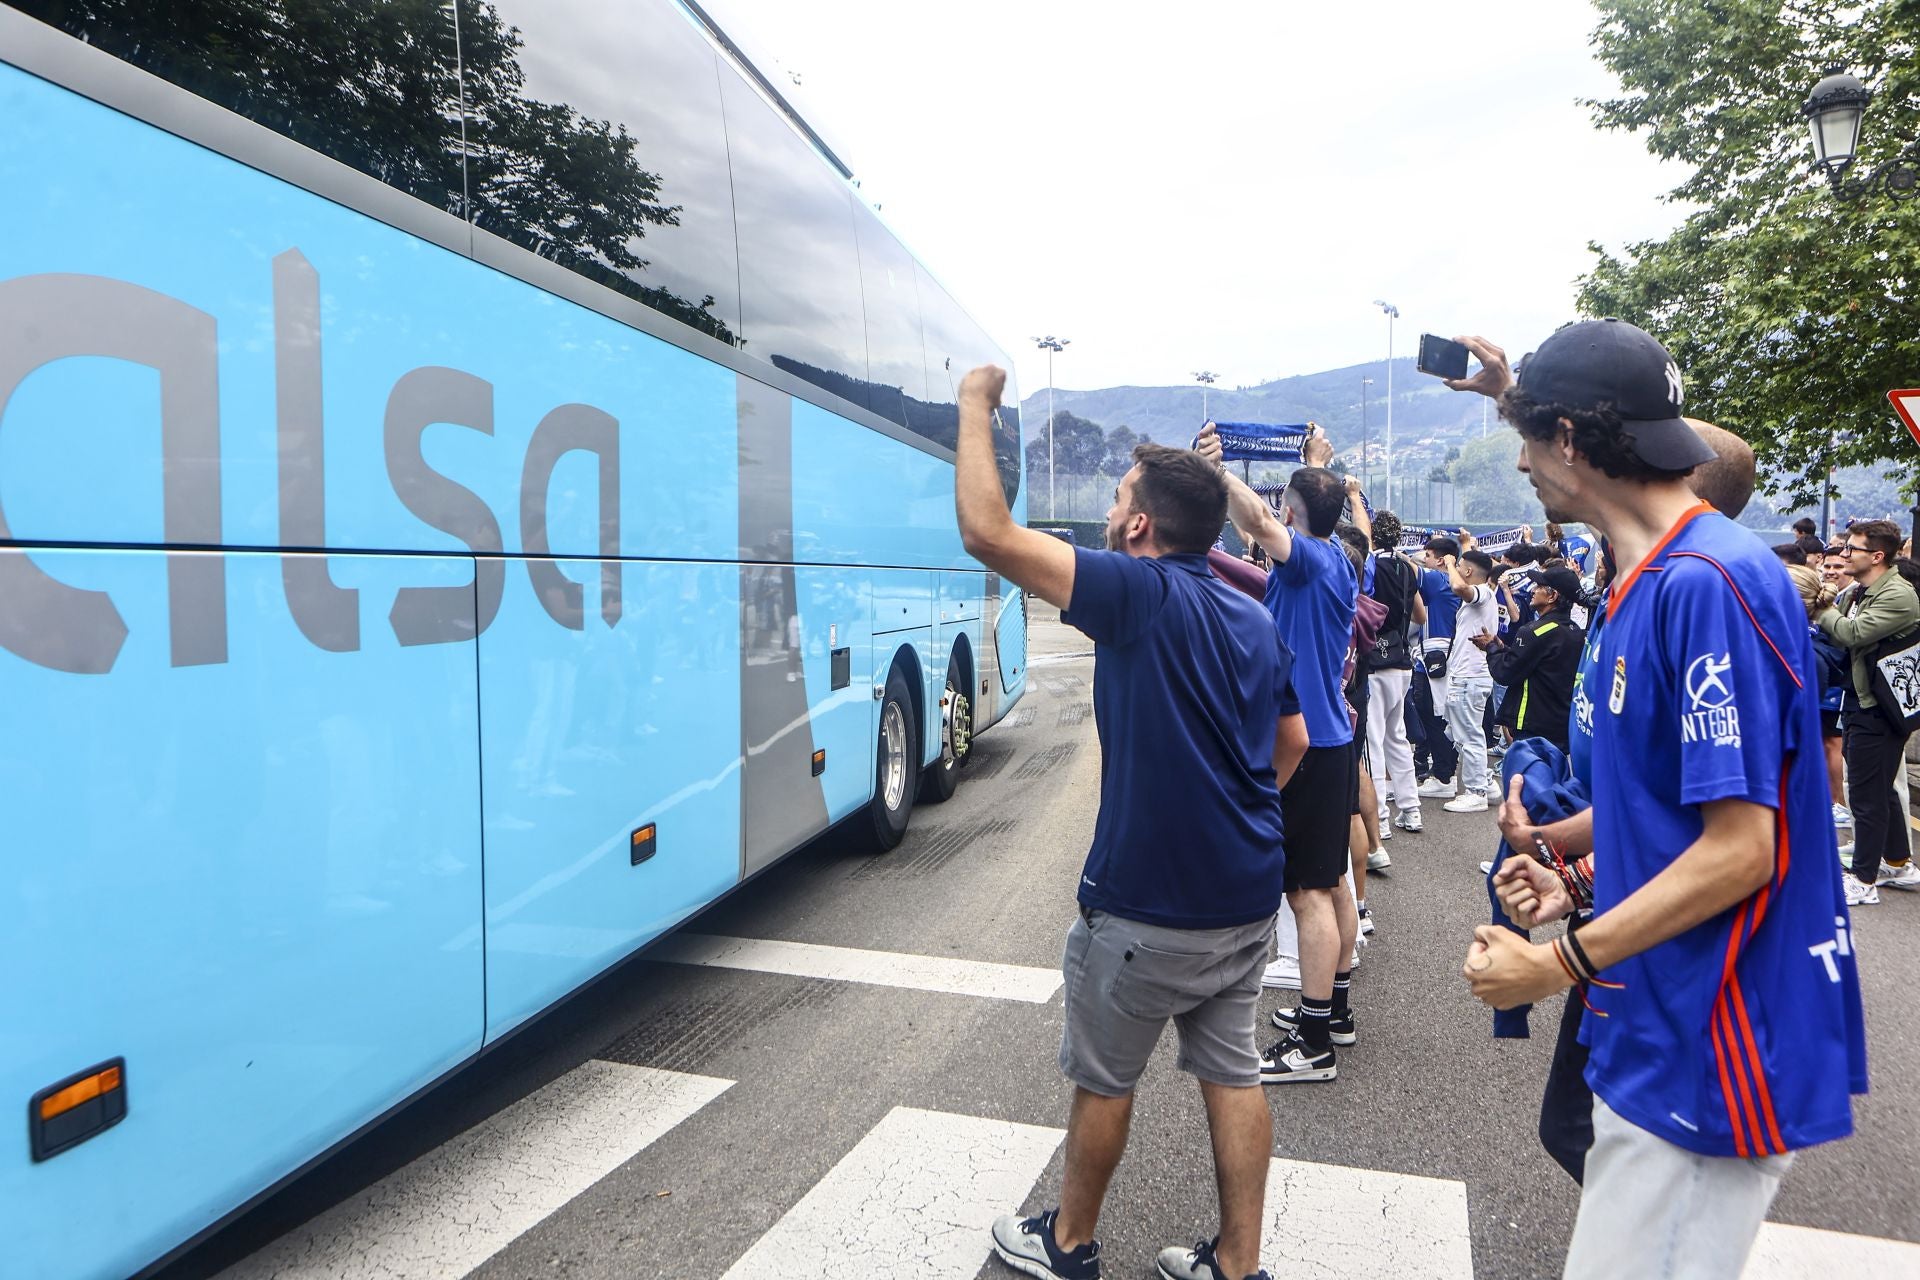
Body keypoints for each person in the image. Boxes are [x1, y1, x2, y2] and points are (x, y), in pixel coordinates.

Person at [1452, 320, 1866, 1280]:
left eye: (1528, 442)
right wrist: (1573, 883)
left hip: (1711, 1040)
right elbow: (1671, 806)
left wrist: (1554, 962)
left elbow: (1742, 851)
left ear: (1570, 442)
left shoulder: (1708, 581)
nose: (1521, 465)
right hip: (1660, 1015)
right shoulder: (1652, 577)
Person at [956, 369, 1296, 1280]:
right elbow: (1292, 740)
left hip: (1148, 905)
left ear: (1140, 525)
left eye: (1116, 501)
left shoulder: (1137, 595)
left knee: (1106, 1078)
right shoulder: (1253, 613)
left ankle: (1068, 1243)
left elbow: (988, 533)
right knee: (1234, 1075)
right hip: (1247, 892)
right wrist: (1231, 800)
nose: (1109, 514)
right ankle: (1238, 1265)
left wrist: (974, 406)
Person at [1201, 429, 1362, 1088]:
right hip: (1333, 738)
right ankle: (1335, 1013)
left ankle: (1316, 1043)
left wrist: (1215, 475)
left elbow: (1260, 520)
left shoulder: (1310, 561)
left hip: (1313, 744)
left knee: (1308, 893)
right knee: (1331, 884)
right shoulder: (1342, 560)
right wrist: (1315, 465)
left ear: (1293, 515)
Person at [1816, 518, 1920, 904]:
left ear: (1877, 556)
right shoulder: (1862, 591)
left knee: (1865, 795)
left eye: (1852, 549)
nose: (1844, 555)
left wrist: (1821, 606)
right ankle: (1897, 862)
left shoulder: (1897, 595)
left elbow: (1851, 634)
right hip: (1865, 699)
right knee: (1882, 791)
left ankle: (1863, 881)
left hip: (1879, 706)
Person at [1472, 564, 1584, 753]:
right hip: (1562, 726)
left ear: (1552, 596)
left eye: (1539, 587)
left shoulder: (1534, 631)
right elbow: (1538, 664)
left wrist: (1491, 648)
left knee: (1525, 780)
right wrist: (1504, 648)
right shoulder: (1574, 631)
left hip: (1533, 727)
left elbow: (1505, 672)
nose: (1533, 590)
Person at [1363, 511, 1427, 835]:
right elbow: (1421, 614)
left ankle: (1381, 820)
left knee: (1372, 741)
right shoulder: (1408, 568)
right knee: (1397, 737)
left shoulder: (1371, 566)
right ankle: (1411, 810)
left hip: (1375, 660)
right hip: (1402, 658)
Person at [1435, 548, 1500, 811]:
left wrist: (1451, 563)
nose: (1456, 568)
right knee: (1457, 732)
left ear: (1469, 571)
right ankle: (1487, 782)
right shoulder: (1484, 598)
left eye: (1460, 565)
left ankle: (1476, 792)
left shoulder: (1482, 593)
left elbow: (1459, 587)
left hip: (1469, 678)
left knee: (1469, 735)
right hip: (1466, 676)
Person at [1412, 536, 1464, 795]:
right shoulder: (1447, 582)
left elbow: (1410, 569)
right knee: (1433, 715)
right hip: (1433, 657)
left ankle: (1444, 776)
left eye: (1429, 554)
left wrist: (1391, 550)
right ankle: (1442, 769)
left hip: (1436, 660)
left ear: (1441, 559)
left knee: (1433, 716)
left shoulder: (1438, 580)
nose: (1424, 558)